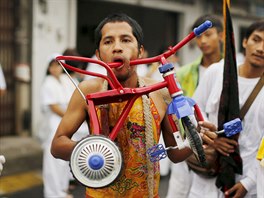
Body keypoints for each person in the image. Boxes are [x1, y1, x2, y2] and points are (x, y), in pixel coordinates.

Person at [51, 13, 217, 197]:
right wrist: (92, 149)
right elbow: (57, 144)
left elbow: (175, 154)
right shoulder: (88, 90)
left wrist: (196, 138)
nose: (117, 48)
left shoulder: (159, 93)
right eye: (108, 42)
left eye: (126, 40)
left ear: (140, 51)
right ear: (98, 55)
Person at [190, 20, 264, 198]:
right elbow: (191, 114)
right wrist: (211, 140)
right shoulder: (217, 72)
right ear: (245, 41)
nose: (261, 48)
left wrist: (249, 183)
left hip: (247, 182)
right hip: (207, 180)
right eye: (256, 39)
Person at [166, 14, 224, 198]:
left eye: (209, 34)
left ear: (222, 36)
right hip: (186, 145)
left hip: (217, 148)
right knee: (178, 191)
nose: (203, 41)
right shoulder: (183, 73)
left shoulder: (231, 71)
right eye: (199, 36)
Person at [39, 54, 76, 198]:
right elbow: (54, 106)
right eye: (53, 66)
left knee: (63, 160)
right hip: (53, 123)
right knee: (52, 162)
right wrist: (69, 117)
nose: (56, 68)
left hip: (64, 121)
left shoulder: (65, 80)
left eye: (58, 65)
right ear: (49, 68)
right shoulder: (48, 82)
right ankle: (52, 193)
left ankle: (62, 190)